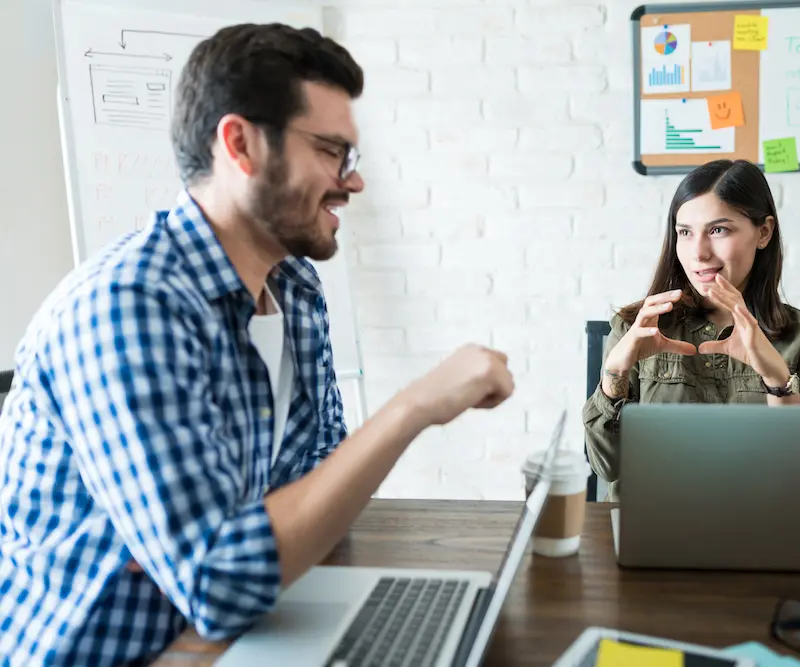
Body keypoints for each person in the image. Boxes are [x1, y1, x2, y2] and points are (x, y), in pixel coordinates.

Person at [0, 24, 513, 667]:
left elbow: (315, 477)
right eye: (332, 151)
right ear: (240, 144)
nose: (352, 183)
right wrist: (416, 406)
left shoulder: (294, 288)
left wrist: (232, 560)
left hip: (233, 633)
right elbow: (219, 582)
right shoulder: (129, 305)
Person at [583, 159, 800, 501]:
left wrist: (777, 377)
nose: (698, 253)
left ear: (763, 232)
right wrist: (616, 372)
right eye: (684, 232)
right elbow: (606, 465)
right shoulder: (638, 327)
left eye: (719, 230)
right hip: (651, 531)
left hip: (759, 532)